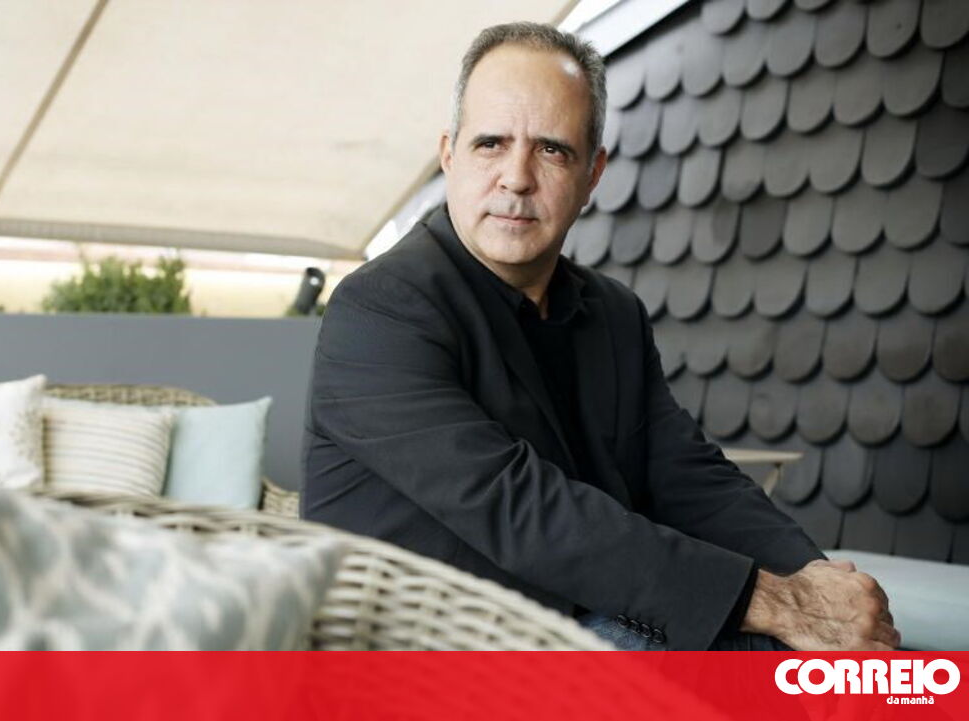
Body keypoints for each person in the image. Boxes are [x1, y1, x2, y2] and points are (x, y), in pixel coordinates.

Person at [302, 22, 898, 651]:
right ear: (450, 156)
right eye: (490, 143)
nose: (516, 177)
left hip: (585, 624)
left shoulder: (613, 313)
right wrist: (772, 600)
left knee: (866, 673)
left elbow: (688, 476)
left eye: (552, 150)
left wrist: (816, 584)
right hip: (423, 657)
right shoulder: (380, 310)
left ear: (593, 174)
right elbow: (519, 507)